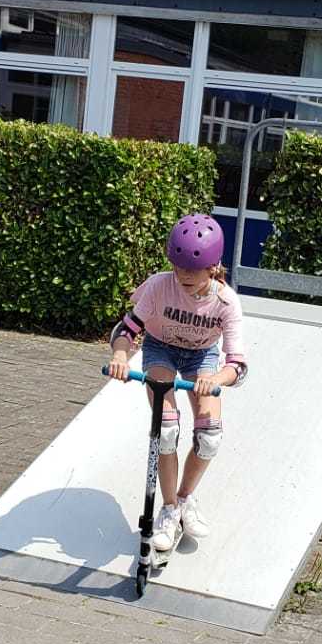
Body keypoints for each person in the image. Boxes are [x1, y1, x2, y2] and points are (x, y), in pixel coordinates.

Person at [106, 213, 247, 551]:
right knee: (166, 430)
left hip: (202, 357)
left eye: (192, 270)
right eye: (178, 266)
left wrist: (216, 378)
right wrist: (121, 356)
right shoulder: (160, 285)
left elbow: (238, 365)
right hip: (161, 351)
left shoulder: (226, 302)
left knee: (210, 437)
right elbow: (126, 329)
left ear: (213, 267)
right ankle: (168, 510)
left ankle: (184, 499)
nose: (183, 275)